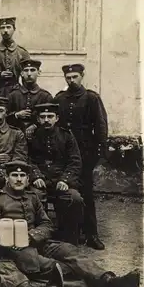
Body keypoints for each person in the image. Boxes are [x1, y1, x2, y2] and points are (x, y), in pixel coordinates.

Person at [0, 160, 140, 287]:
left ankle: (108, 279)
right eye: (14, 175)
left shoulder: (32, 197)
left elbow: (46, 224)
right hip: (15, 249)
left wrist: (32, 236)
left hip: (38, 241)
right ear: (7, 178)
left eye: (22, 175)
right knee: (59, 268)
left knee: (71, 252)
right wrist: (9, 236)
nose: (18, 179)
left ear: (28, 179)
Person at [53, 63, 108, 250]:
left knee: (86, 192)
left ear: (82, 76)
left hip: (85, 151)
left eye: (75, 77)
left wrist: (99, 153)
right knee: (66, 190)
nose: (71, 81)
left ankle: (92, 234)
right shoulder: (60, 99)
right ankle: (69, 231)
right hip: (65, 151)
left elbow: (101, 126)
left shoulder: (91, 98)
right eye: (68, 78)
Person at [28, 103, 83, 246]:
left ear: (57, 118)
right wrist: (36, 176)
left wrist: (65, 179)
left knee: (74, 198)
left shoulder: (66, 136)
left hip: (61, 180)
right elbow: (28, 159)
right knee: (34, 197)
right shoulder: (33, 136)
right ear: (38, 120)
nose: (46, 120)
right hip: (41, 181)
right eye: (42, 117)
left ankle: (70, 238)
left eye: (50, 116)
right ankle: (38, 238)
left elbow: (75, 161)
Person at [0, 17, 30, 97]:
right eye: (2, 28)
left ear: (14, 29)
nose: (5, 30)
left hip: (16, 93)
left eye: (8, 27)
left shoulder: (22, 52)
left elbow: (27, 77)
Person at [7, 59, 53, 139]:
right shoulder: (13, 95)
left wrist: (35, 125)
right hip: (16, 137)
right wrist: (16, 115)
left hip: (40, 137)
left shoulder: (45, 96)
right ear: (21, 73)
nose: (29, 74)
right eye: (26, 70)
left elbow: (52, 119)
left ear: (39, 72)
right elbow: (4, 116)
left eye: (32, 70)